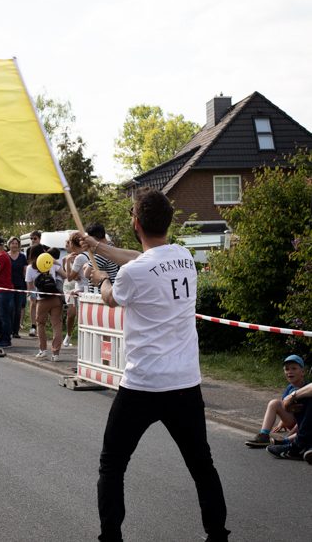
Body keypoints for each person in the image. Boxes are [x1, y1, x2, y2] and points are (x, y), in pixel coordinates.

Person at [87, 187, 229, 542]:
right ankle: (217, 534)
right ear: (169, 220)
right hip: (184, 383)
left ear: (135, 222)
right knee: (202, 465)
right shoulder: (183, 257)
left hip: (143, 384)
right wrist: (96, 246)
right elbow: (141, 256)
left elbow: (111, 297)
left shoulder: (134, 272)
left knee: (112, 464)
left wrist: (101, 278)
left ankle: (110, 537)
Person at [245, 354, 306, 447]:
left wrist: (289, 435)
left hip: (305, 425)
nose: (290, 372)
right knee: (274, 403)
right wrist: (282, 423)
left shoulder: (307, 389)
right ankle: (263, 436)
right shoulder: (289, 388)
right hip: (293, 422)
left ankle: (287, 441)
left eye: (294, 368)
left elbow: (307, 417)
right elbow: (284, 405)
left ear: (303, 372)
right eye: (287, 369)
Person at [25, 245, 65, 362]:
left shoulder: (30, 268)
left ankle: (43, 350)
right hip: (55, 298)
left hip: (42, 300)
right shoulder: (50, 264)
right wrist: (55, 262)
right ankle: (56, 353)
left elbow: (30, 287)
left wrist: (33, 299)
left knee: (40, 324)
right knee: (57, 325)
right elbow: (65, 275)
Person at [267, 379, 312, 463]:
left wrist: (292, 396)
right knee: (305, 396)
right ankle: (304, 446)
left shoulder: (305, 384)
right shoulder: (290, 387)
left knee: (304, 396)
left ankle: (298, 446)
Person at [63, 232, 89, 347]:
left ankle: (82, 343)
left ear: (73, 244)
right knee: (74, 315)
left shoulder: (79, 257)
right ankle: (70, 336)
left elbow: (69, 277)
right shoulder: (88, 254)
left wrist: (68, 261)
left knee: (80, 319)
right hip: (87, 290)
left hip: (80, 291)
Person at [84, 223, 120, 292]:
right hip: (109, 289)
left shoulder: (103, 253)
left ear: (93, 238)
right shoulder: (111, 247)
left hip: (101, 292)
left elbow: (87, 273)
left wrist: (86, 265)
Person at [26, 231, 45, 337]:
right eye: (31, 238)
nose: (33, 240)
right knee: (33, 303)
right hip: (32, 277)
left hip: (43, 280)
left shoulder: (45, 249)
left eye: (35, 238)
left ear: (39, 239)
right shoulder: (29, 249)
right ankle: (33, 326)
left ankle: (41, 325)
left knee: (42, 305)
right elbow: (28, 263)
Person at [7, 236, 27, 338]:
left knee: (18, 309)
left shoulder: (22, 257)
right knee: (10, 308)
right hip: (8, 286)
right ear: (9, 245)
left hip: (20, 285)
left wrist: (27, 285)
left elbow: (25, 271)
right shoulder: (6, 256)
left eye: (16, 243)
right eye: (12, 243)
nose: (14, 245)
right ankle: (9, 329)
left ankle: (15, 331)